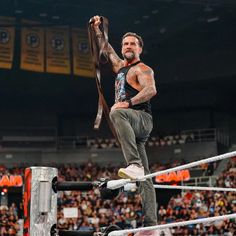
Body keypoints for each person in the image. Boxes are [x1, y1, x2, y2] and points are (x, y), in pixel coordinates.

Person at [90, 15, 158, 235]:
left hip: (141, 120)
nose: (128, 46)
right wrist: (98, 30)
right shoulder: (120, 66)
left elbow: (151, 90)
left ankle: (134, 165)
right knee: (145, 178)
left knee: (116, 112)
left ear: (140, 48)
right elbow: (106, 49)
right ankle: (151, 225)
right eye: (125, 44)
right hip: (130, 125)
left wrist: (127, 102)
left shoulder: (143, 69)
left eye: (132, 44)